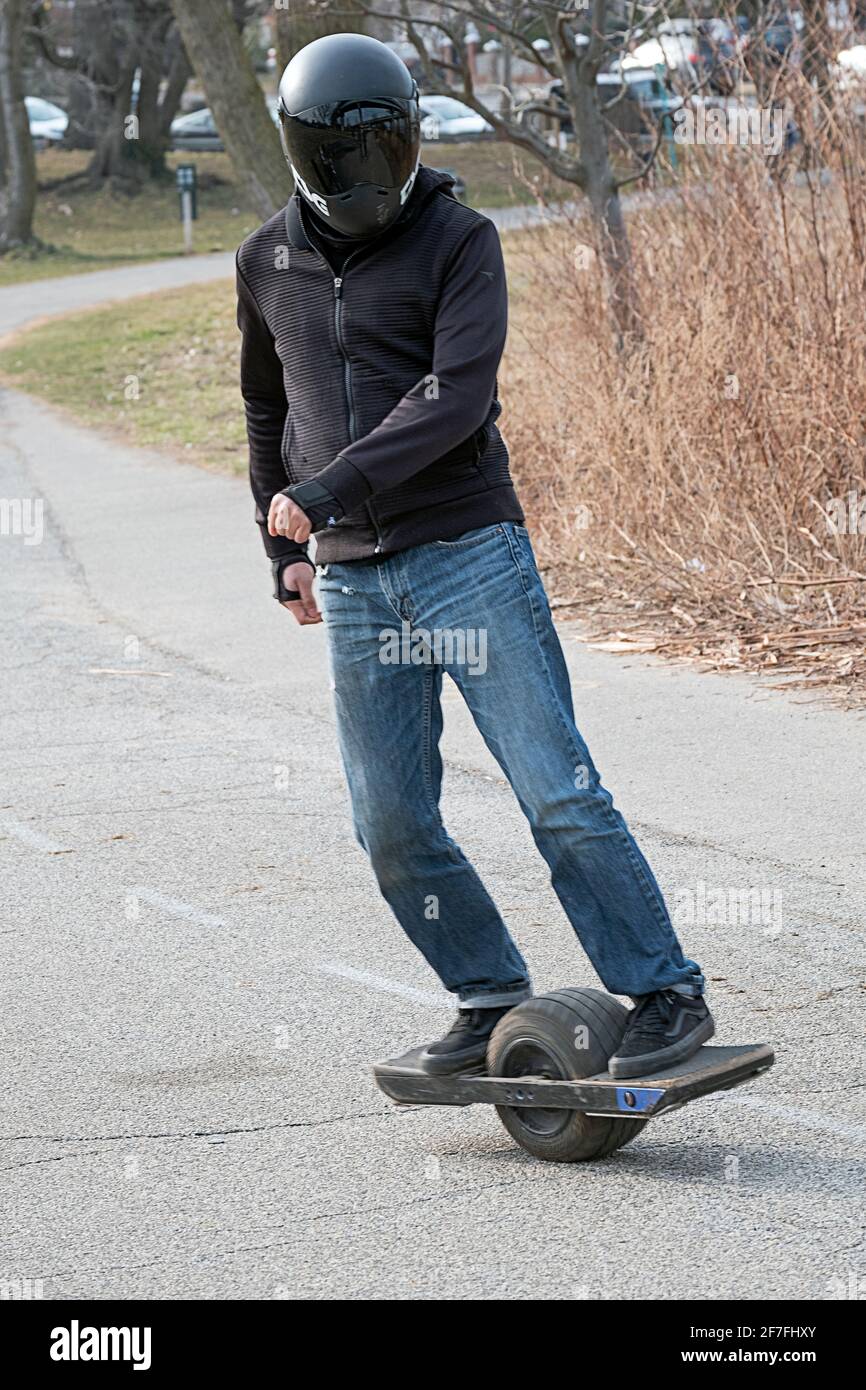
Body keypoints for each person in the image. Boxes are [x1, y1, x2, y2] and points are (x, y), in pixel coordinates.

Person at [236, 32, 714, 1080]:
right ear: (306, 154)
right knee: (391, 820)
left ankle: (665, 993)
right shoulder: (266, 257)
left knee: (555, 789)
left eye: (385, 146)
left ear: (409, 136)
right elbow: (266, 401)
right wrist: (282, 551)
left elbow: (456, 400)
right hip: (355, 577)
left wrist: (326, 493)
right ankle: (485, 993)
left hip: (466, 551)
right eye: (344, 155)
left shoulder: (460, 239)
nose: (369, 173)